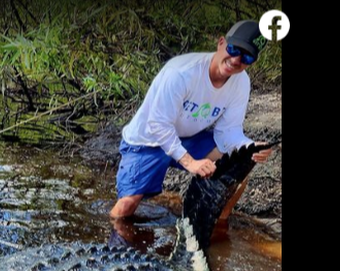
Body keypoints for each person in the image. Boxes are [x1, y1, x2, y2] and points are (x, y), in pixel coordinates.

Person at [109, 21, 275, 220]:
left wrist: (250, 147)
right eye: (233, 49)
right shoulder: (181, 73)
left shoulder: (241, 82)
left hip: (188, 138)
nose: (236, 60)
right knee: (125, 209)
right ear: (221, 43)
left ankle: (218, 222)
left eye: (246, 57)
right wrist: (190, 163)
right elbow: (158, 125)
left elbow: (229, 132)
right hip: (147, 141)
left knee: (241, 163)